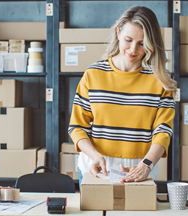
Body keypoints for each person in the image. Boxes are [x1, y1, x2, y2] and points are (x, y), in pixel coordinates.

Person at [68, 6, 177, 185]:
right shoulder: (93, 74)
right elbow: (77, 127)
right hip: (96, 169)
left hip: (140, 170)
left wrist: (147, 164)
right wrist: (95, 156)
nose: (133, 49)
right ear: (118, 32)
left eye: (142, 43)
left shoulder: (160, 80)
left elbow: (163, 131)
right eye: (128, 40)